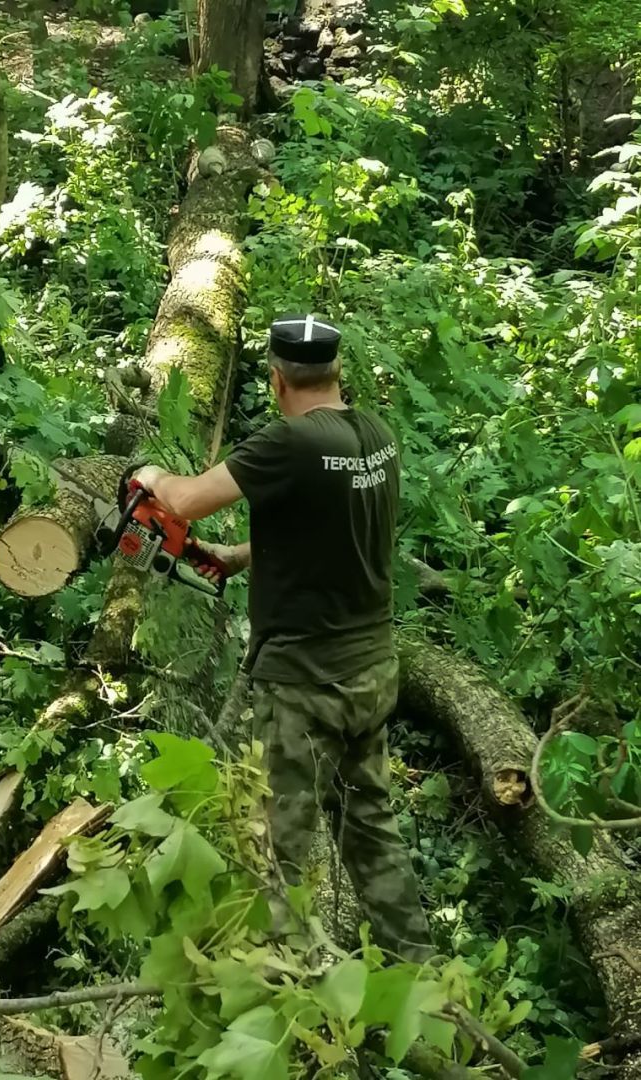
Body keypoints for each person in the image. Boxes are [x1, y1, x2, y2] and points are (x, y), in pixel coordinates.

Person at [134, 314, 433, 962]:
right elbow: (333, 528)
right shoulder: (373, 437)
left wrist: (151, 475)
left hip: (305, 684)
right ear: (336, 372)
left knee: (279, 853)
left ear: (275, 380)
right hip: (370, 670)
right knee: (371, 831)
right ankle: (425, 984)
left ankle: (283, 997)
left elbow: (183, 501)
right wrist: (242, 555)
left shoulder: (288, 443)